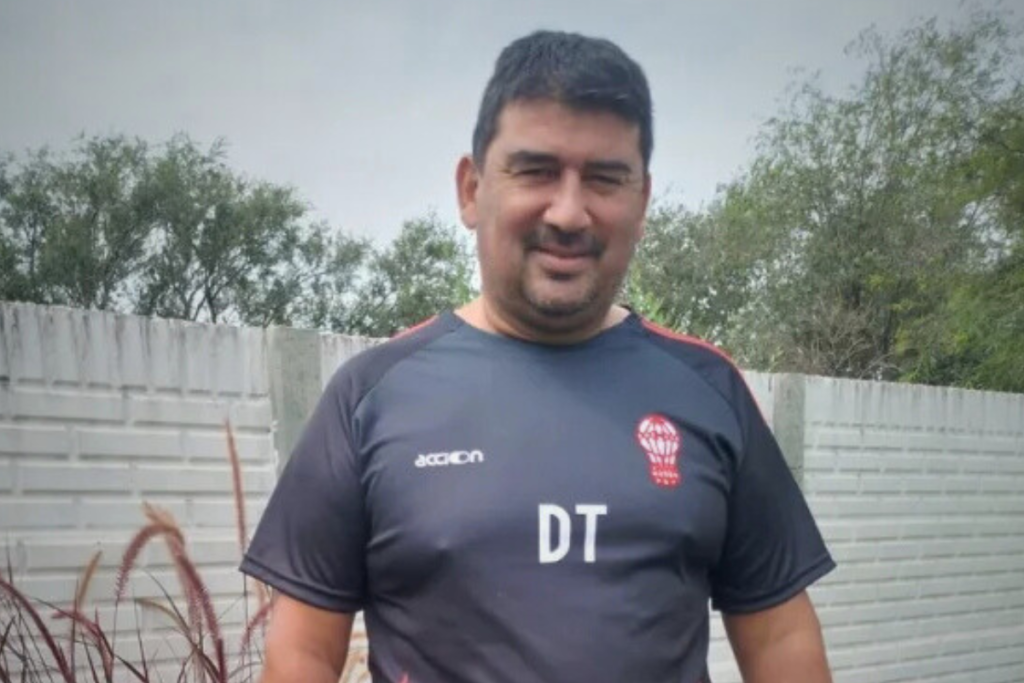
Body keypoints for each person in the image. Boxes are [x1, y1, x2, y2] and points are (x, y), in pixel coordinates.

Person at [241, 30, 835, 683]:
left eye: (605, 178)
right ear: (471, 190)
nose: (569, 213)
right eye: (536, 171)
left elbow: (780, 638)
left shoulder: (709, 391)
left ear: (641, 202)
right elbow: (301, 653)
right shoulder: (371, 397)